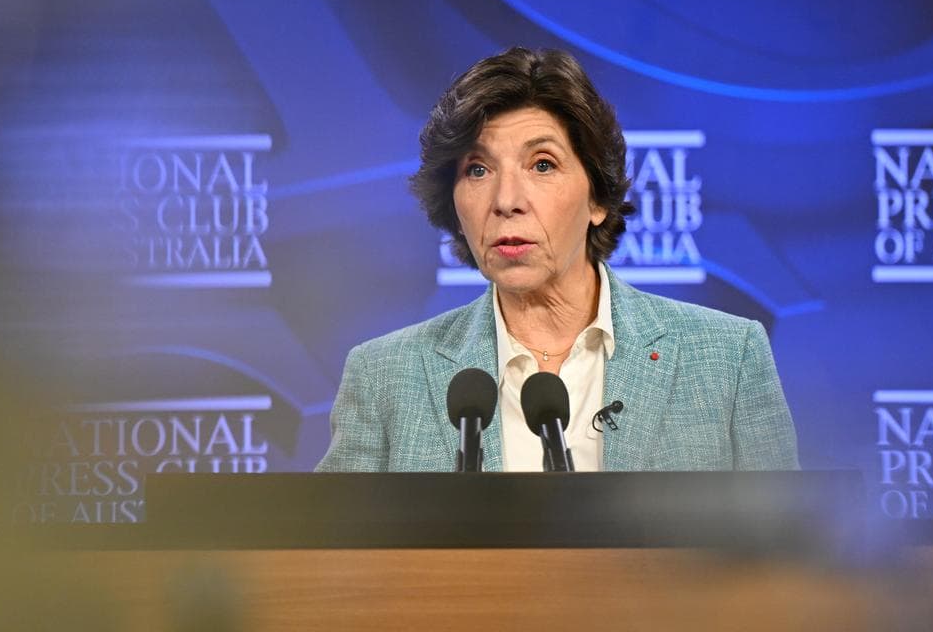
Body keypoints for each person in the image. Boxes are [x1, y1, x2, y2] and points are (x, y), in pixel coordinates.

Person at [316, 47, 798, 472]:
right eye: (478, 169)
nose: (506, 200)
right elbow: (332, 562)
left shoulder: (727, 359)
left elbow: (783, 560)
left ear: (598, 197)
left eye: (542, 164)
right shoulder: (383, 377)